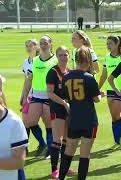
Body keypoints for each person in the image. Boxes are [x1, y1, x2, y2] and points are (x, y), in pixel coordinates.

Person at [58, 46, 102, 180]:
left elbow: (65, 98)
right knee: (84, 154)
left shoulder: (66, 77)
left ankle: (61, 178)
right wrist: (100, 94)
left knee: (68, 152)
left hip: (74, 119)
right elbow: (96, 99)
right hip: (89, 120)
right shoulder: (89, 78)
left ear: (75, 59)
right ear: (88, 60)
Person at [25, 35, 58, 158]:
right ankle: (42, 143)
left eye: (45, 43)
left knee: (49, 124)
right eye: (41, 43)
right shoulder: (35, 60)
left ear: (50, 44)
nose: (43, 45)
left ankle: (50, 149)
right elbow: (30, 79)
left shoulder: (55, 60)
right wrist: (25, 96)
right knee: (30, 121)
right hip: (36, 95)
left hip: (50, 96)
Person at [46, 46, 73, 178]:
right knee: (57, 140)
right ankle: (54, 170)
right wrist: (63, 103)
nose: (63, 57)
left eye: (65, 55)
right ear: (57, 56)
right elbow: (50, 93)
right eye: (60, 55)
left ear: (69, 56)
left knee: (67, 140)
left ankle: (65, 167)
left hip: (69, 108)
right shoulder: (52, 72)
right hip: (57, 108)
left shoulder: (70, 72)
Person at [98, 35, 121, 150]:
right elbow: (104, 75)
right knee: (114, 117)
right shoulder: (107, 57)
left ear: (117, 44)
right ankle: (118, 141)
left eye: (110, 43)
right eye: (107, 43)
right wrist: (97, 88)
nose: (108, 46)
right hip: (110, 90)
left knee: (116, 114)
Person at [20, 39, 45, 155]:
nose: (28, 48)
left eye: (30, 45)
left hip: (37, 94)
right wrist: (23, 95)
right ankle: (26, 146)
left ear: (36, 47)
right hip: (28, 95)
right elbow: (26, 80)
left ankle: (44, 144)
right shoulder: (26, 62)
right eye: (26, 46)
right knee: (26, 121)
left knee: (31, 121)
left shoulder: (39, 60)